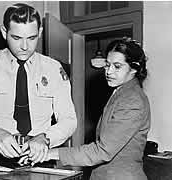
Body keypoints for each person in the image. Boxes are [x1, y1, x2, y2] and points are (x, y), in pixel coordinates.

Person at [0, 3, 77, 167]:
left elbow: (69, 120)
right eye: (17, 38)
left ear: (39, 33)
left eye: (32, 38)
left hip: (40, 160)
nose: (25, 47)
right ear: (5, 32)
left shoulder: (54, 69)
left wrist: (46, 137)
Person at [25, 37, 151, 180]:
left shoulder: (132, 100)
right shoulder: (121, 93)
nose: (108, 71)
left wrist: (48, 153)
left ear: (134, 69)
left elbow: (102, 151)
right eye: (107, 65)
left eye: (117, 66)